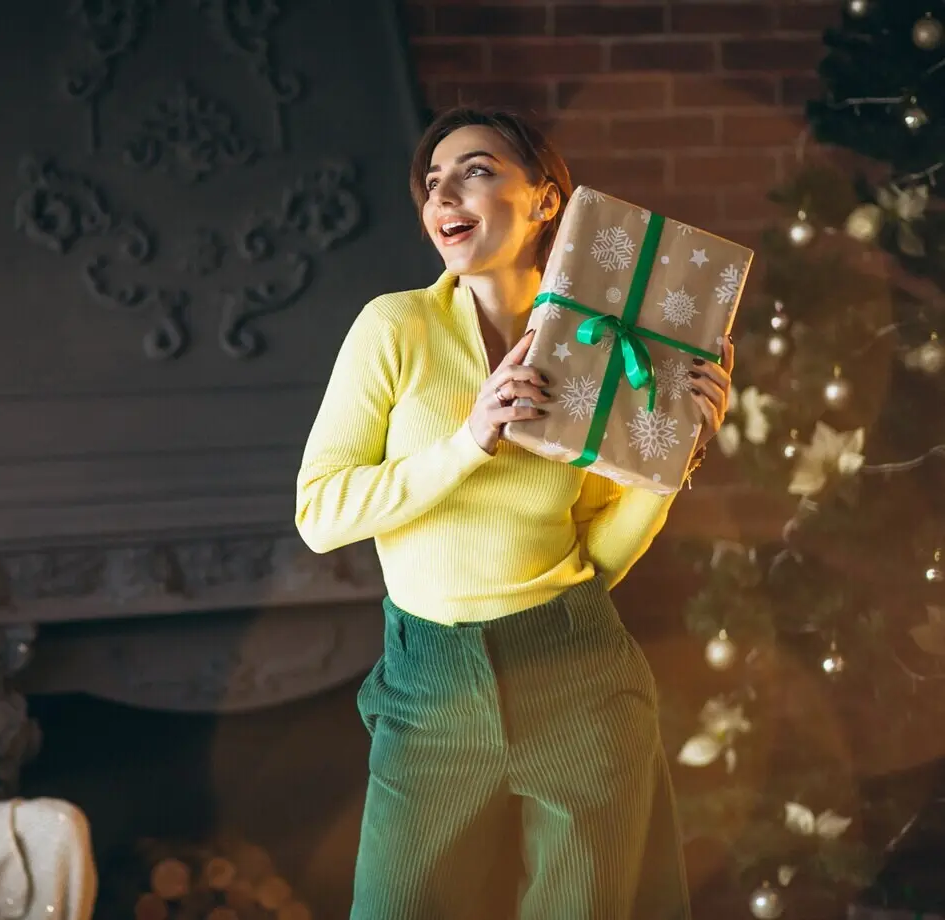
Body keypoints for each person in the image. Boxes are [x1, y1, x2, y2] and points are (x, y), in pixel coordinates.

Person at [294, 107, 733, 920]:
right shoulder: (396, 328)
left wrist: (672, 459)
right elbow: (320, 514)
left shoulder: (601, 349)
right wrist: (470, 440)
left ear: (546, 200)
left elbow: (597, 559)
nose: (443, 196)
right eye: (432, 183)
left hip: (578, 674)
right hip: (429, 690)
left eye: (475, 171)